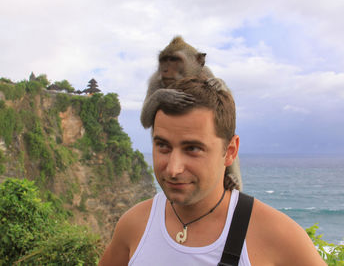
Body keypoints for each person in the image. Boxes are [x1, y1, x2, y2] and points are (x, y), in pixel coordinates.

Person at [99, 78, 326, 266]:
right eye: (163, 146)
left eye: (193, 149)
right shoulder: (135, 224)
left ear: (230, 151)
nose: (173, 168)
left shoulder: (277, 234)